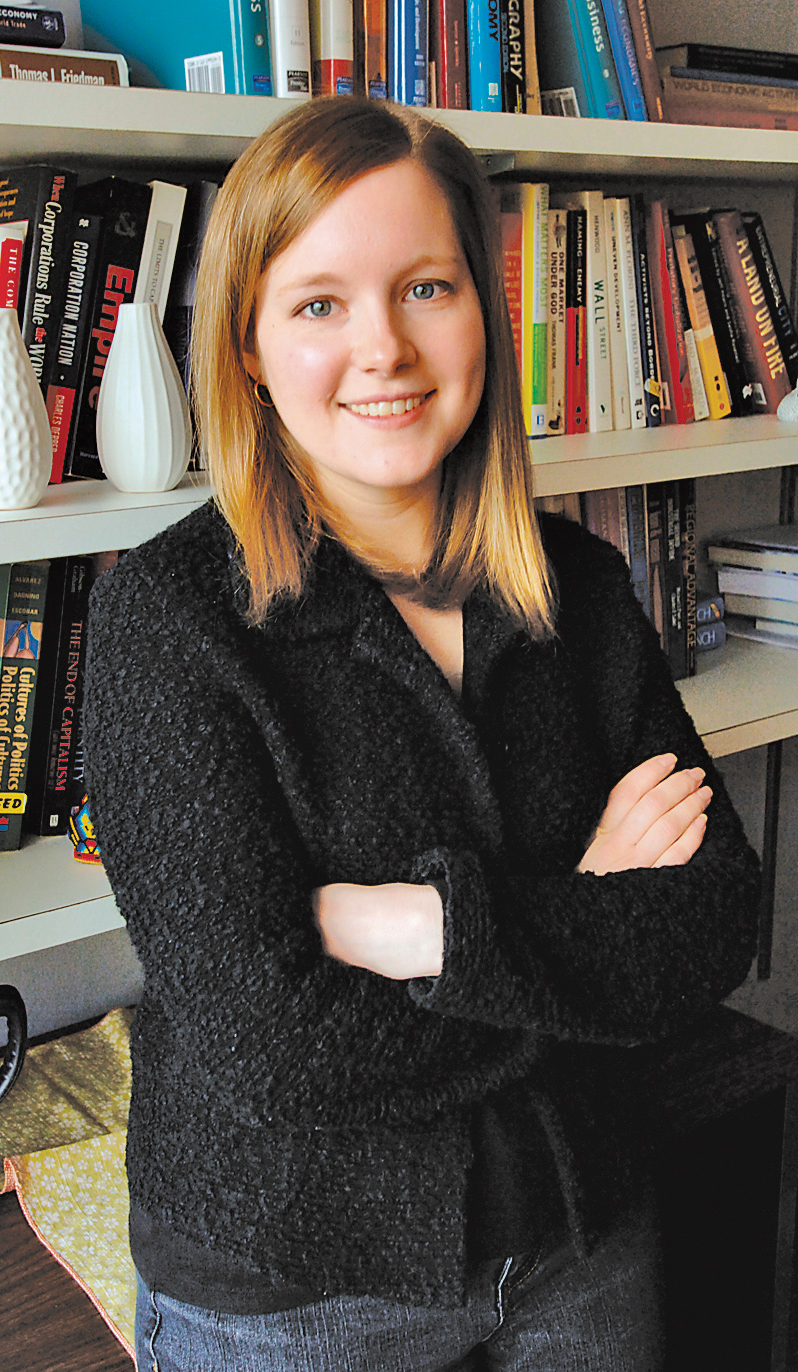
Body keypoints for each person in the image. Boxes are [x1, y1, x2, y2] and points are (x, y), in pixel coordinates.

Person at [83, 97, 760, 1372]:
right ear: (247, 347)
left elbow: (711, 921)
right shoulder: (168, 621)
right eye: (318, 303)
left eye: (425, 288)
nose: (383, 347)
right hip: (291, 1292)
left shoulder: (576, 588)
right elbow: (269, 1044)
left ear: (482, 317)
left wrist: (421, 930)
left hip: (580, 1234)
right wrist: (581, 908)